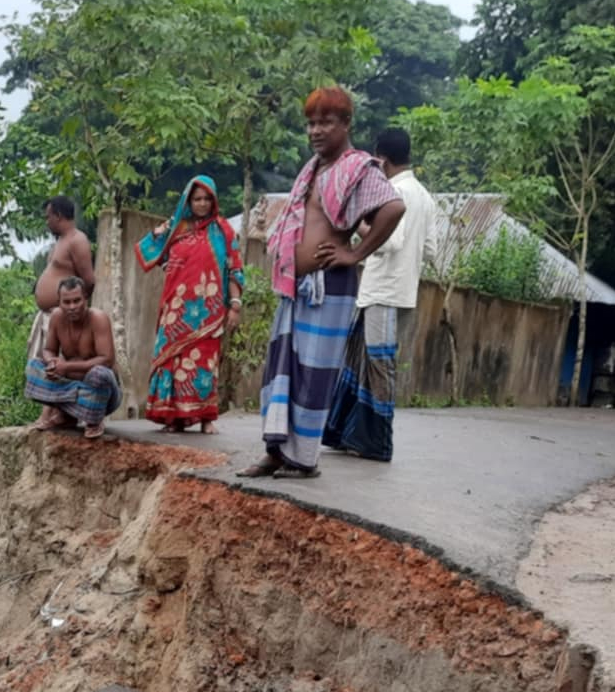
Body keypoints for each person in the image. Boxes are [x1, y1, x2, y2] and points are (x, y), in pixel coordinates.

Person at [239, 86, 405, 478]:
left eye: (326, 122)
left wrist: (355, 253)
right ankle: (275, 451)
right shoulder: (312, 170)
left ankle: (304, 458)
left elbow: (394, 208)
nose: (316, 131)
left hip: (328, 286)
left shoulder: (358, 167)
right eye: (311, 123)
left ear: (346, 124)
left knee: (314, 373)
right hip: (295, 287)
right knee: (282, 368)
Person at [326, 127, 441, 462]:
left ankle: (377, 442)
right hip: (404, 293)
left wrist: (361, 225)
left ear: (382, 158)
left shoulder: (390, 193)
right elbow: (431, 250)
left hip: (382, 293)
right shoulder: (425, 196)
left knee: (378, 366)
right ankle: (352, 435)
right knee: (366, 362)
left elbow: (389, 242)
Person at [135, 175, 245, 434]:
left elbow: (235, 269)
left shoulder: (223, 230)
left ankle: (206, 418)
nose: (203, 204)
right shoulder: (176, 227)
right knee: (171, 361)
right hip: (177, 309)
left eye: (207, 199)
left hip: (209, 311)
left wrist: (235, 305)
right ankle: (173, 417)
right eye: (197, 199)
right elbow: (147, 249)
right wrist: (169, 264)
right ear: (188, 200)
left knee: (204, 363)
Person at [26, 277, 119, 439]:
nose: (72, 307)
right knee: (33, 367)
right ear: (59, 302)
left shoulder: (98, 318)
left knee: (100, 374)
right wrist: (52, 363)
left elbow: (107, 360)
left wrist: (66, 367)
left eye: (77, 301)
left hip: (100, 392)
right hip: (71, 385)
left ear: (86, 299)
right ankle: (68, 415)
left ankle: (93, 419)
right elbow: (48, 350)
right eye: (66, 302)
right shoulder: (56, 316)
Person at [32, 197, 96, 364]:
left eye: (48, 217)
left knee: (60, 371)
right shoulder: (60, 241)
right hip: (49, 318)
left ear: (58, 216)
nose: (47, 222)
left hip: (64, 319)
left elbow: (88, 281)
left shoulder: (77, 240)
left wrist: (73, 313)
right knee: (42, 372)